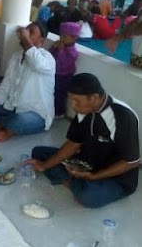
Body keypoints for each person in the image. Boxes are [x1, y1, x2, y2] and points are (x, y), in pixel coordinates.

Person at [28, 73, 140, 208]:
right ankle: (77, 182)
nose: (73, 106)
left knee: (88, 197)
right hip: (87, 162)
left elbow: (131, 162)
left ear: (94, 97)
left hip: (116, 176)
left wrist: (94, 176)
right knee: (39, 153)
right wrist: (45, 165)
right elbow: (74, 143)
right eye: (71, 100)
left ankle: (75, 183)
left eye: (76, 100)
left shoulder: (123, 116)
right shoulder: (84, 110)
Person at [0, 22, 55, 142]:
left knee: (19, 120)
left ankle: (6, 128)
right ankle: (1, 124)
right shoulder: (16, 57)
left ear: (41, 39)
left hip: (36, 114)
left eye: (31, 32)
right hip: (12, 108)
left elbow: (37, 64)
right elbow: (5, 86)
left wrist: (26, 38)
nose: (25, 34)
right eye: (25, 31)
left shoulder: (47, 58)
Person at [48, 22, 80, 118]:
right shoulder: (60, 45)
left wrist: (61, 50)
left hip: (64, 76)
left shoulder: (72, 51)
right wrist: (54, 47)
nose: (61, 39)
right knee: (52, 92)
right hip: (55, 74)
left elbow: (64, 62)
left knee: (60, 95)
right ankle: (51, 109)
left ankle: (59, 112)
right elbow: (49, 55)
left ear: (74, 38)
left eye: (65, 37)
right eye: (61, 36)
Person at [105, 4, 142, 68]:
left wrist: (118, 37)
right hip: (136, 56)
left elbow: (138, 27)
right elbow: (136, 22)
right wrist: (116, 38)